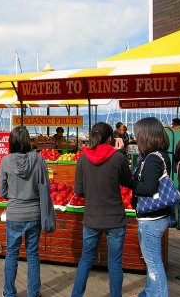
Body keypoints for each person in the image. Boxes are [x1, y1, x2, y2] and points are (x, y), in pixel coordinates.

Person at [71, 122, 133, 297]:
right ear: (110, 139)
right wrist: (121, 153)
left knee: (86, 259)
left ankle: (76, 295)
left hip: (92, 218)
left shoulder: (83, 159)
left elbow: (79, 191)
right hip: (115, 219)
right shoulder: (118, 158)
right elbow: (127, 182)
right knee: (114, 263)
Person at [0, 126, 49, 297]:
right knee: (33, 254)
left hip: (14, 213)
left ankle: (9, 292)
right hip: (35, 213)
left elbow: (1, 192)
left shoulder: (5, 161)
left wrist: (13, 194)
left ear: (11, 141)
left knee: (11, 254)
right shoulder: (39, 159)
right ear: (28, 140)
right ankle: (33, 292)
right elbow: (45, 187)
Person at [131, 117, 172, 297]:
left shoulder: (153, 159)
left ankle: (158, 294)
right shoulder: (160, 155)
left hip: (151, 219)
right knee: (152, 262)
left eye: (138, 135)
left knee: (154, 263)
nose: (136, 138)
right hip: (158, 216)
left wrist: (128, 182)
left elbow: (148, 188)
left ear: (146, 136)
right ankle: (149, 292)